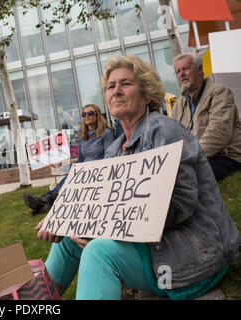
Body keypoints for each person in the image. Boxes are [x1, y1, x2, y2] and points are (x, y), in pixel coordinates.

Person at [36, 55, 239, 300]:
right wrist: (68, 220)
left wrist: (107, 228)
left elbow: (181, 206)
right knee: (67, 241)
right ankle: (36, 301)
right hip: (148, 248)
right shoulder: (114, 149)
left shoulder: (165, 130)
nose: (117, 91)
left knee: (99, 251)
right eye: (111, 87)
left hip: (189, 256)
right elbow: (104, 206)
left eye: (126, 84)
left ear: (146, 93)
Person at [24, 104, 115, 216]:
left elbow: (109, 158)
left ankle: (43, 202)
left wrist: (90, 168)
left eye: (90, 113)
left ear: (97, 116)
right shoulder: (82, 137)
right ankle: (44, 203)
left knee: (71, 177)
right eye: (84, 114)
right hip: (83, 169)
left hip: (98, 171)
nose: (87, 116)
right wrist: (62, 167)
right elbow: (80, 160)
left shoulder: (106, 133)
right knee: (69, 175)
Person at [172, 53, 241, 181]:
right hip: (194, 159)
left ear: (200, 70)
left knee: (187, 179)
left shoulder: (219, 92)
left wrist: (189, 158)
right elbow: (175, 138)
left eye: (186, 68)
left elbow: (219, 133)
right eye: (178, 71)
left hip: (224, 156)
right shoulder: (178, 105)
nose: (182, 74)